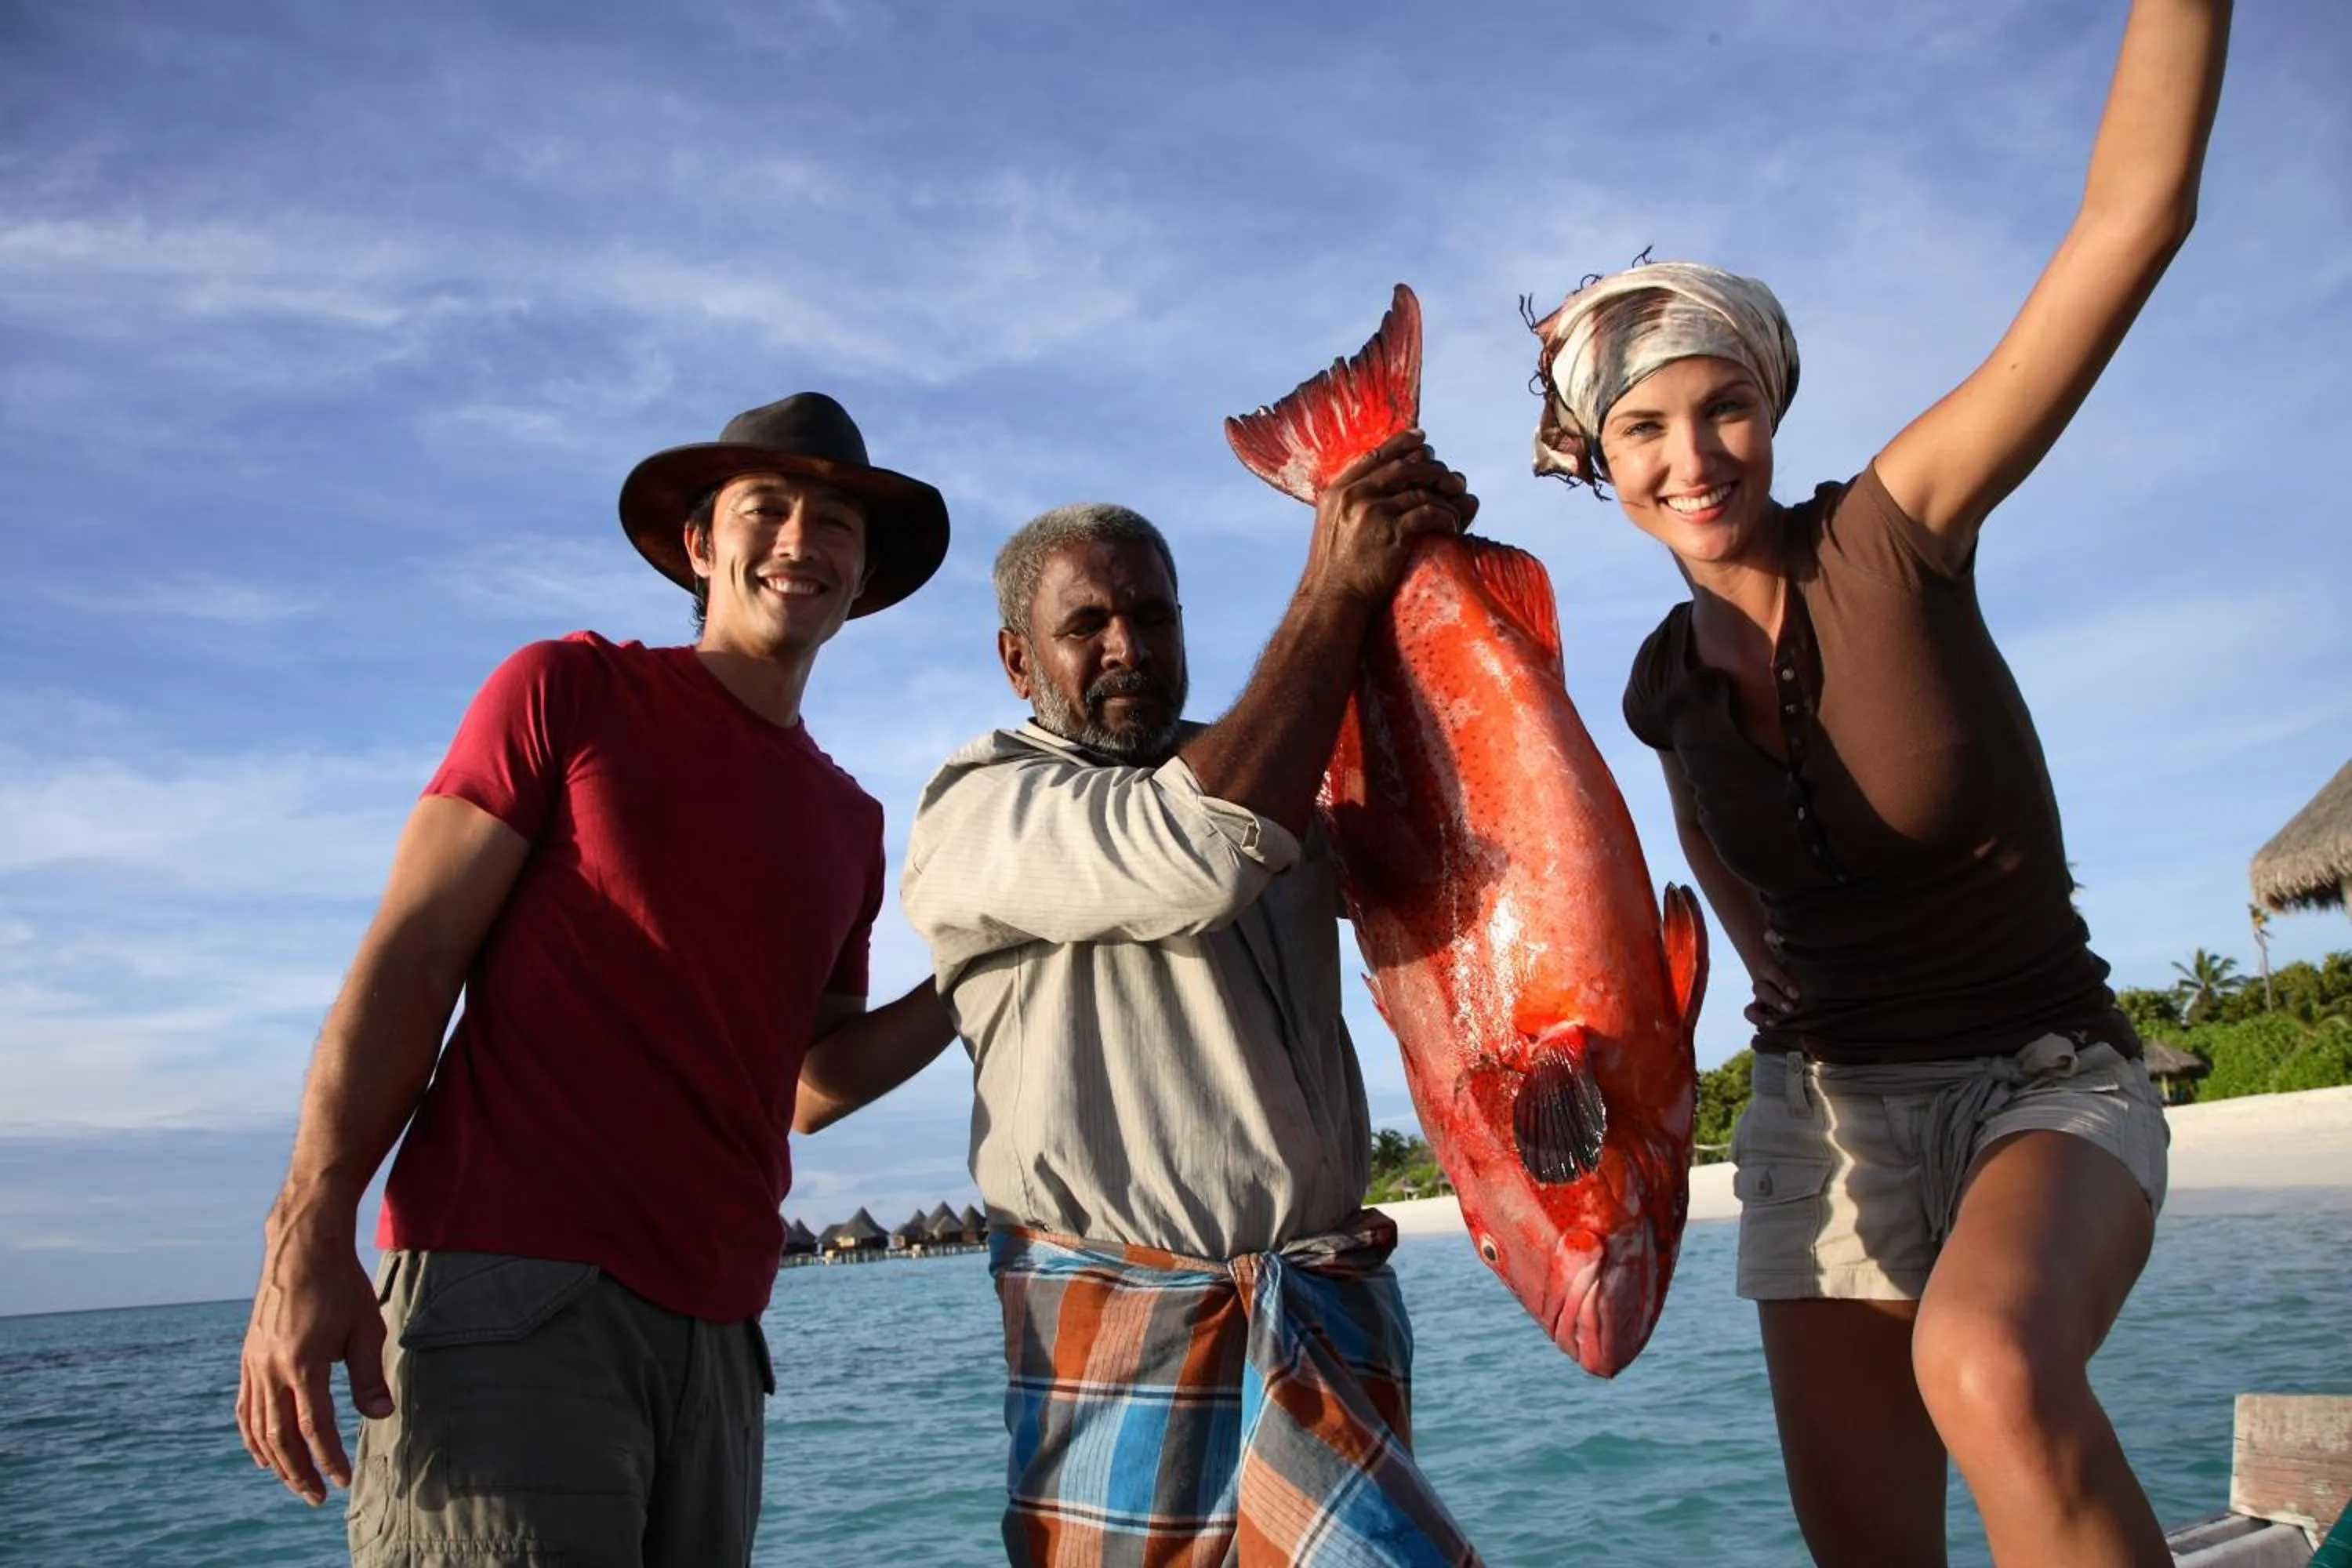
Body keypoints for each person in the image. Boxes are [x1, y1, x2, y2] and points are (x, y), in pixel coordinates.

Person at [1523, 5, 2229, 1565]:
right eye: (1640, 424)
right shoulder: (1658, 686)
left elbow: (2134, 218)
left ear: (1773, 404)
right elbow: (1723, 868)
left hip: (2045, 1082)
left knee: (1987, 1363)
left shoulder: (1897, 532)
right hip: (1825, 1118)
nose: (1693, 453)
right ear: (1591, 453)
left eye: (1726, 407)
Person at [236, 393, 960, 1568]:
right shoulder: (566, 691)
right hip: (512, 1293)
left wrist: (981, 978)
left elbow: (808, 1085)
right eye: (765, 508)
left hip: (723, 1338)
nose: (797, 541)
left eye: (834, 520)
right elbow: (412, 957)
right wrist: (305, 1234)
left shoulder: (852, 819)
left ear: (863, 570)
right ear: (699, 544)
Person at [902, 441, 1486, 1566]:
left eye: (1154, 617)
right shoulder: (973, 808)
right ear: (1016, 660)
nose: (1128, 648)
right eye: (1087, 629)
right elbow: (1192, 855)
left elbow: (1434, 879)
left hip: (1322, 1310)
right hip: (1123, 1337)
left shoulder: (1271, 779)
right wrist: (1335, 586)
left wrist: (1421, 577)